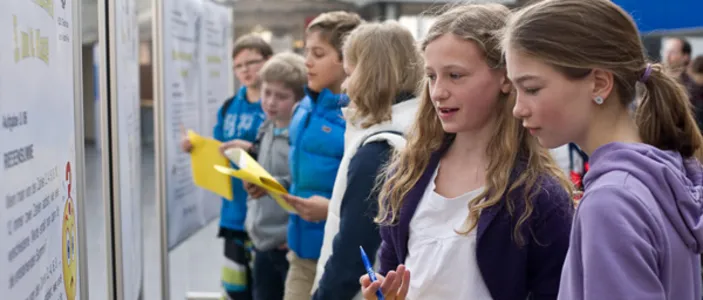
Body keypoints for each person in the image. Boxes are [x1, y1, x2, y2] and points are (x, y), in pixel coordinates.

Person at [360, 4, 574, 300]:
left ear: (505, 78)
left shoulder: (536, 196)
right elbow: (390, 271)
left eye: (455, 76)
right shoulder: (408, 174)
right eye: (432, 76)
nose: (438, 92)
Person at [502, 0, 703, 299]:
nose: (518, 108)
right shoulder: (664, 173)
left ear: (598, 83)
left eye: (531, 88)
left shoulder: (611, 202)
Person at [311, 21, 423, 300]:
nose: (345, 85)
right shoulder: (419, 130)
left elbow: (352, 255)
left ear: (370, 74)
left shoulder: (378, 151)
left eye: (349, 74)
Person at [278, 11, 362, 300]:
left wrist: (330, 210)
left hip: (340, 257)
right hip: (300, 251)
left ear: (347, 59)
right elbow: (303, 173)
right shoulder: (303, 108)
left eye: (318, 53)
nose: (307, 61)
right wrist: (273, 184)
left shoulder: (360, 116)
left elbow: (374, 200)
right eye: (305, 51)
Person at [181, 34, 271, 300]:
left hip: (266, 216)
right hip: (233, 214)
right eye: (239, 66)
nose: (245, 70)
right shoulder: (230, 106)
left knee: (265, 290)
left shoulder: (277, 104)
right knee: (235, 290)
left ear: (268, 61)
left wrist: (252, 149)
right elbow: (218, 149)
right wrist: (196, 147)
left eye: (251, 62)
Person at [241, 52, 307, 300]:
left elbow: (303, 186)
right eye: (267, 93)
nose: (270, 102)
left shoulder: (298, 138)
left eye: (281, 97)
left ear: (299, 100)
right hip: (261, 242)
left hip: (286, 245)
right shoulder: (265, 128)